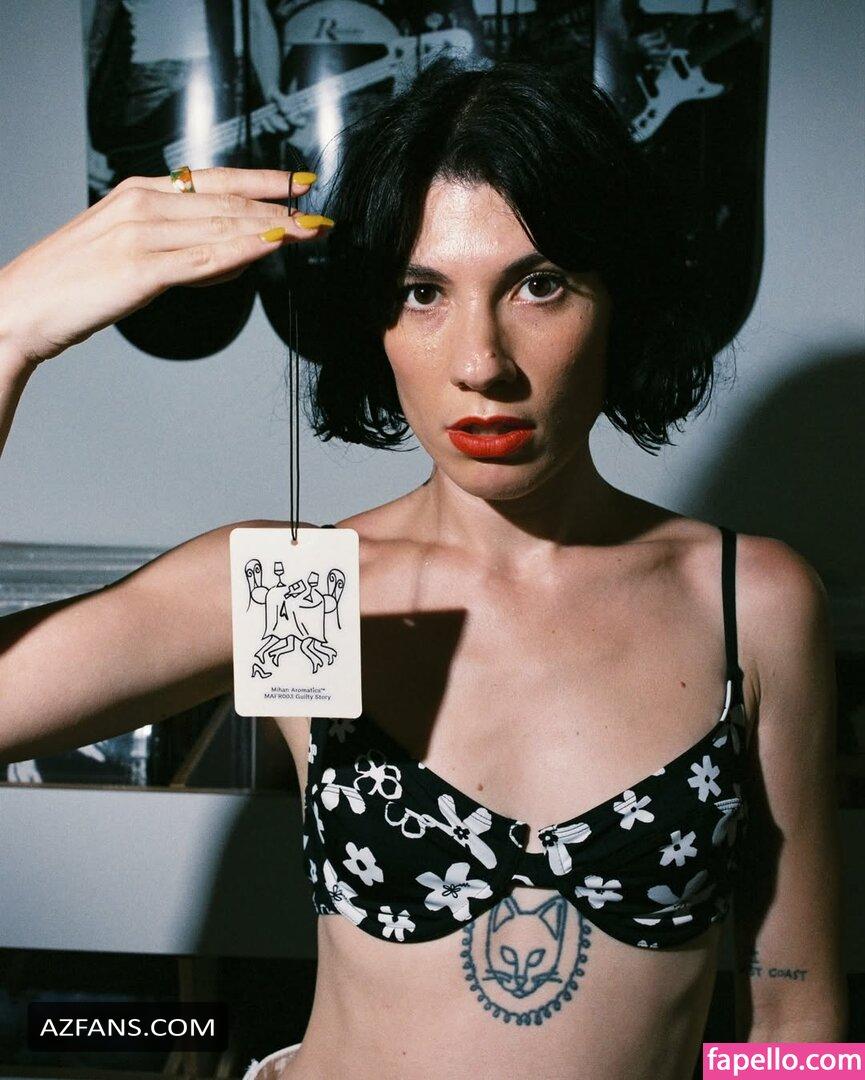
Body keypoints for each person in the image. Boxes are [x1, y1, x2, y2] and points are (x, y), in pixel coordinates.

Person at [0, 55, 847, 1079]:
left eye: (538, 285)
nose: (480, 362)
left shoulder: (747, 601)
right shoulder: (305, 588)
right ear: (376, 319)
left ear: (617, 298)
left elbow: (799, 1026)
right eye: (422, 292)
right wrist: (9, 329)